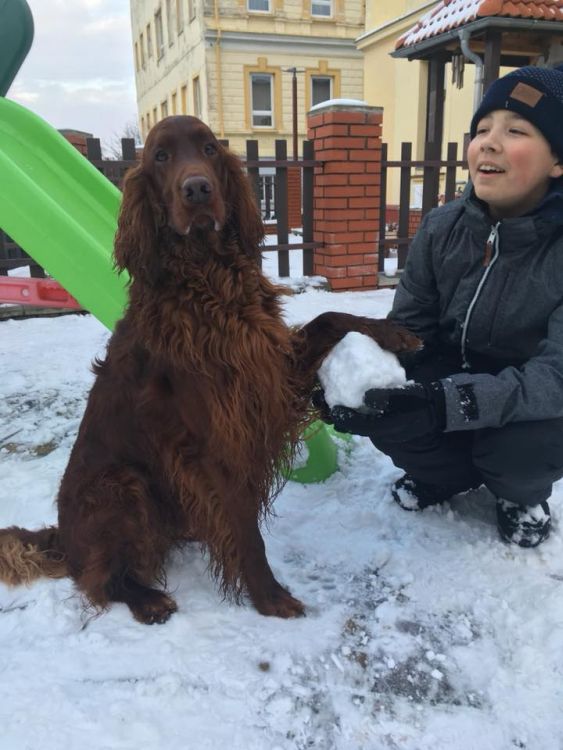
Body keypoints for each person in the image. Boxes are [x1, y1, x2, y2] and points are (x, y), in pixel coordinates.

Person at [317, 64, 563, 548]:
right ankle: (444, 476)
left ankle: (519, 495)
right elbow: (409, 328)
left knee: (518, 448)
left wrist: (446, 403)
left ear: (558, 160)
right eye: (482, 130)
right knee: (389, 408)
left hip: (532, 401)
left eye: (515, 131)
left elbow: (556, 379)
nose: (488, 143)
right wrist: (356, 379)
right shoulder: (442, 227)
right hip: (452, 371)